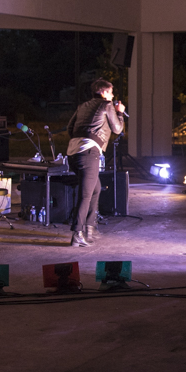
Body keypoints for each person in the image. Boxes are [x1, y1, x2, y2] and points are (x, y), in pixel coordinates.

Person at [64, 78, 125, 247]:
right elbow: (117, 129)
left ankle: (90, 228)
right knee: (85, 195)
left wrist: (81, 139)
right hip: (89, 153)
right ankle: (77, 234)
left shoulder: (82, 106)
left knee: (95, 189)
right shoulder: (106, 105)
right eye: (111, 92)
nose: (112, 96)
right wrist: (120, 113)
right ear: (104, 92)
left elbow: (70, 128)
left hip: (73, 153)